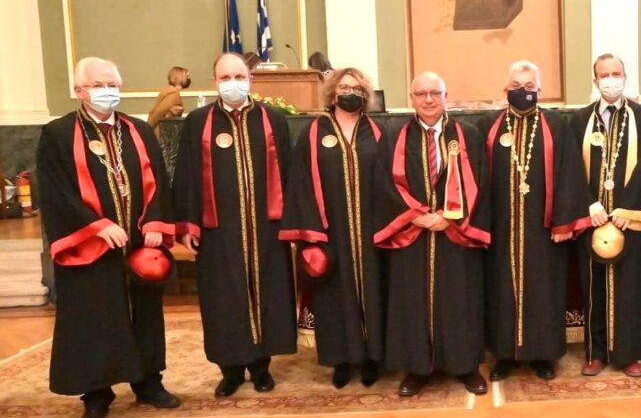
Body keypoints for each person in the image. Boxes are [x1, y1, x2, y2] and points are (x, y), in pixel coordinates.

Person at [36, 57, 180, 418]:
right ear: (79, 91)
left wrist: (155, 223)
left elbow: (159, 180)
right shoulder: (58, 134)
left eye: (113, 85)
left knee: (145, 313)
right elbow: (55, 191)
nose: (107, 92)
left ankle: (148, 383)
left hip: (138, 244)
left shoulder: (139, 131)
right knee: (95, 319)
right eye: (98, 85)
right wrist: (96, 226)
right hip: (91, 246)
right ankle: (97, 395)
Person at [172, 52, 295, 397]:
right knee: (223, 300)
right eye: (225, 78)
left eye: (239, 77)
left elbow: (289, 173)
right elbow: (186, 176)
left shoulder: (273, 119)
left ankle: (261, 367)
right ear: (215, 82)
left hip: (266, 230)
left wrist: (292, 224)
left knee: (267, 294)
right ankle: (230, 371)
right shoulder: (198, 122)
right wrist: (188, 225)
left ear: (250, 79)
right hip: (218, 232)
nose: (233, 83)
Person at [373, 72, 491, 397]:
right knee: (413, 302)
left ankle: (466, 366)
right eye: (421, 93)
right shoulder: (394, 137)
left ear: (445, 96)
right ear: (411, 98)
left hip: (457, 235)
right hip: (412, 235)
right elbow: (383, 184)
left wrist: (450, 218)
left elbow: (480, 183)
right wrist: (417, 216)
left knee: (460, 300)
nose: (428, 99)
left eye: (435, 93)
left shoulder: (468, 135)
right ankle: (416, 368)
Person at [482, 61, 590, 382]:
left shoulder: (556, 125)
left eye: (529, 87)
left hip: (544, 230)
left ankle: (543, 354)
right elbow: (477, 179)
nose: (523, 91)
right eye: (516, 86)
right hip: (501, 228)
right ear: (506, 89)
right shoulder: (489, 126)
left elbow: (570, 173)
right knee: (502, 290)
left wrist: (563, 222)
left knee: (543, 291)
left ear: (539, 90)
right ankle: (505, 354)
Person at [280, 67, 385, 388]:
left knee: (374, 291)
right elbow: (300, 184)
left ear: (365, 94)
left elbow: (390, 182)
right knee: (335, 295)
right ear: (333, 93)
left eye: (356, 88)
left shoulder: (377, 132)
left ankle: (372, 358)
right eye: (344, 88)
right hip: (330, 232)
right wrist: (313, 234)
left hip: (371, 232)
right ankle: (342, 360)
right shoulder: (313, 133)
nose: (349, 93)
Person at [570, 54, 641, 377]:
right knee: (594, 288)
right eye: (604, 75)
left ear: (625, 77)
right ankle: (596, 353)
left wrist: (628, 208)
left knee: (629, 288)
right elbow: (570, 167)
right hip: (593, 222)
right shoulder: (580, 119)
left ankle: (628, 354)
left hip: (629, 221)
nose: (610, 80)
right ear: (595, 81)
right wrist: (589, 204)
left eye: (616, 73)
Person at [146, 66, 189, 132]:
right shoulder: (173, 94)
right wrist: (147, 129)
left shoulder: (171, 92)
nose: (188, 78)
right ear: (179, 77)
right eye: (187, 76)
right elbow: (158, 113)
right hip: (162, 132)